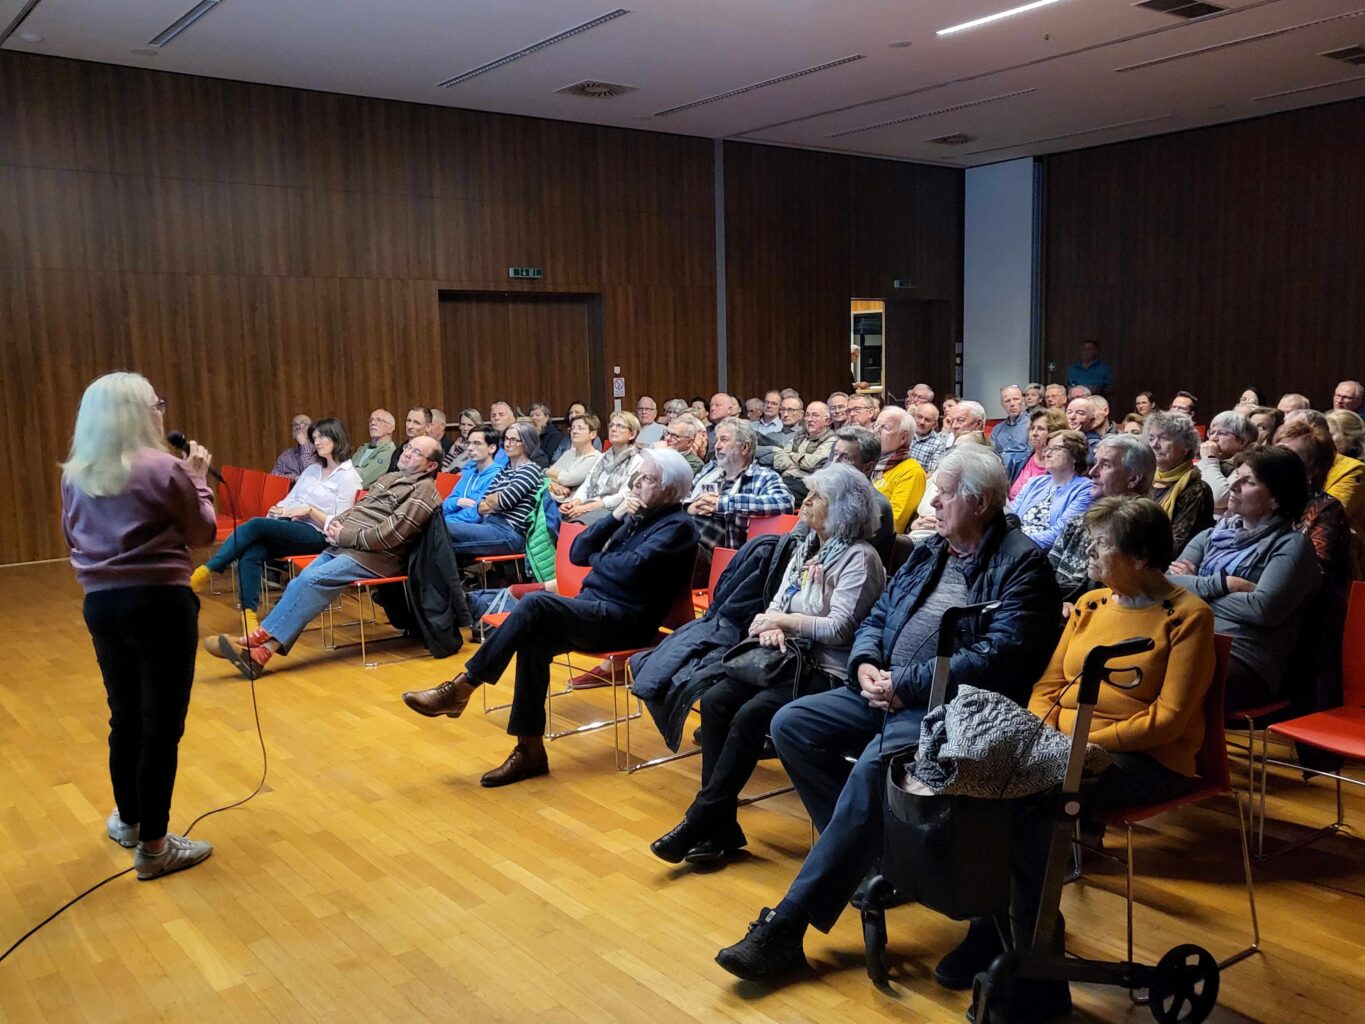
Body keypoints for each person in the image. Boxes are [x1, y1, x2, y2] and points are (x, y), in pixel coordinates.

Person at [713, 445, 1061, 982]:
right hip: (883, 688)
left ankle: (788, 925)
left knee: (874, 768)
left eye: (945, 494)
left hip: (951, 709)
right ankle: (874, 856)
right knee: (791, 725)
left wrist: (905, 685)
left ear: (981, 501)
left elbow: (1000, 657)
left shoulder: (1022, 564)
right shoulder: (930, 551)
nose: (933, 503)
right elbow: (876, 617)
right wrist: (865, 665)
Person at [981, 496, 1216, 1016]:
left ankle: (1034, 975)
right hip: (1065, 746)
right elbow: (1048, 686)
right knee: (980, 784)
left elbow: (1168, 721)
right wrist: (1047, 736)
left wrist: (1085, 743)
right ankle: (1001, 940)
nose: (1088, 551)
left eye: (1102, 543)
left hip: (1150, 761)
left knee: (1026, 806)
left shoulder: (1188, 616)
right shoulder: (1090, 605)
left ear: (1141, 556)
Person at [401, 449, 700, 785]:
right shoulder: (636, 514)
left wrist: (601, 562)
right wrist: (615, 516)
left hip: (626, 622)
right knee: (534, 641)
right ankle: (529, 750)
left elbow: (627, 569)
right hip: (596, 608)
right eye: (640, 475)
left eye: (647, 479)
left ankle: (462, 687)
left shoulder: (679, 528)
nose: (637, 483)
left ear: (669, 489)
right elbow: (579, 553)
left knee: (536, 603)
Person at [650, 465, 885, 865]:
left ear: (843, 508)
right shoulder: (807, 546)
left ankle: (703, 819)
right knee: (717, 701)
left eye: (817, 497)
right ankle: (719, 827)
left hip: (827, 672)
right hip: (786, 661)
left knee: (751, 715)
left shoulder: (860, 558)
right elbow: (774, 605)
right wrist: (772, 625)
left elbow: (840, 629)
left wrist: (785, 622)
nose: (806, 501)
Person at [61, 372, 218, 879]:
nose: (161, 412)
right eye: (157, 404)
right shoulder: (163, 467)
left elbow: (71, 535)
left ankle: (128, 821)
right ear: (140, 412)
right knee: (161, 726)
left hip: (102, 606)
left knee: (125, 716)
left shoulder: (75, 474)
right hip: (160, 604)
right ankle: (154, 848)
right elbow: (202, 533)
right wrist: (197, 477)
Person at [208, 436, 444, 679]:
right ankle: (261, 654)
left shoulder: (424, 491)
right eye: (408, 447)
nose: (407, 453)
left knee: (310, 580)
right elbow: (359, 510)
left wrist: (344, 535)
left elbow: (391, 535)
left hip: (376, 558)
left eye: (417, 453)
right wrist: (335, 525)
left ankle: (256, 638)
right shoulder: (391, 477)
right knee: (300, 583)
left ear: (431, 466)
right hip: (348, 547)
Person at [1168, 447, 1320, 709]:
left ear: (1276, 499)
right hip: (1189, 637)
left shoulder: (1291, 546)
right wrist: (1224, 584)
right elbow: (1166, 586)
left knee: (1159, 676)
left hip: (1244, 657)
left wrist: (1195, 590)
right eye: (1236, 475)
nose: (1233, 485)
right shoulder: (1211, 536)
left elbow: (1261, 609)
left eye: (1248, 481)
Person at [190, 418, 361, 633]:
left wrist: (310, 511)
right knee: (251, 551)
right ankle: (248, 615)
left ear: (337, 438)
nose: (317, 441)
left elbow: (339, 523)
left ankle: (207, 570)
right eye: (315, 437)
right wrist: (278, 509)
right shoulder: (312, 470)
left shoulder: (349, 477)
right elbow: (290, 500)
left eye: (322, 436)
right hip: (293, 526)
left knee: (255, 525)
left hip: (318, 536)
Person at [1048, 433, 1156, 604]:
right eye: (1095, 462)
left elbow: (1104, 596)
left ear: (1133, 479)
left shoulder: (1143, 531)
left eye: (1105, 465)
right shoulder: (1078, 522)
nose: (1092, 472)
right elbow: (1045, 575)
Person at [687, 417, 795, 555]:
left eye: (724, 440)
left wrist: (722, 503)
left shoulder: (762, 476)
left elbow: (785, 502)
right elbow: (685, 495)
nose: (717, 446)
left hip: (718, 554)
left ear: (744, 447)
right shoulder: (710, 469)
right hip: (686, 536)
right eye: (717, 440)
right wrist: (689, 506)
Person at [443, 423, 545, 561]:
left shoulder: (530, 470)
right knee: (437, 543)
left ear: (527, 443)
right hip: (489, 525)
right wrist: (493, 501)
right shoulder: (505, 470)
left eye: (513, 440)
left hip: (510, 533)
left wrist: (493, 501)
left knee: (441, 530)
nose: (507, 444)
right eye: (506, 439)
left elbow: (504, 501)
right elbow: (481, 507)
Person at [1276, 421, 1352, 593]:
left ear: (1313, 469)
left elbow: (1315, 572)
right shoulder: (1260, 496)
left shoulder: (1326, 508)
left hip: (1300, 599)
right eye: (1277, 450)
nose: (1277, 460)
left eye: (1290, 456)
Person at [1009, 429, 1093, 551]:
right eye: (1047, 449)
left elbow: (1060, 534)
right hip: (1014, 545)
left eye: (1056, 449)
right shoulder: (1034, 483)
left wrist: (1014, 542)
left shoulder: (1085, 489)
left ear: (1075, 456)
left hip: (1040, 552)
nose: (1047, 454)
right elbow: (1010, 517)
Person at [1145, 410, 1215, 557]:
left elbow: (1176, 545)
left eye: (1164, 438)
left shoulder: (1197, 490)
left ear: (1186, 446)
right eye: (1151, 438)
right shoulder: (1144, 478)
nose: (1155, 445)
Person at [828, 426, 896, 566]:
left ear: (868, 467)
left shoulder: (875, 506)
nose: (835, 462)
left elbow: (846, 557)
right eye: (835, 454)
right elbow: (799, 534)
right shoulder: (826, 492)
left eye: (845, 458)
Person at [561, 412, 643, 525]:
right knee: (555, 518)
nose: (613, 429)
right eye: (611, 425)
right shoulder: (603, 457)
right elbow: (587, 484)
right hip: (589, 503)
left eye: (620, 426)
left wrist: (589, 507)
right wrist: (576, 501)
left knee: (576, 525)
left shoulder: (637, 461)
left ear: (632, 434)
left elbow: (624, 496)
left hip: (611, 510)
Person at [869, 407, 926, 533]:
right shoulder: (871, 462)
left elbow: (894, 524)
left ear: (903, 438)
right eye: (875, 425)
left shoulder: (912, 472)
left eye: (885, 428)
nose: (876, 431)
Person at [440, 425, 507, 529]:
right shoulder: (468, 474)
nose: (470, 448)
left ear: (491, 448)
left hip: (475, 528)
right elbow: (445, 505)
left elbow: (477, 513)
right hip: (452, 524)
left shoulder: (499, 474)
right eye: (469, 443)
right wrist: (458, 501)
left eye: (476, 443)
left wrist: (448, 520)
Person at [773, 401, 835, 503]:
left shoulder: (832, 440)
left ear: (827, 421)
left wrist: (791, 455)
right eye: (807, 415)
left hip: (808, 485)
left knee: (776, 494)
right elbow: (778, 460)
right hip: (786, 479)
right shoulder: (799, 436)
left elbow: (812, 463)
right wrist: (800, 464)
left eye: (815, 415)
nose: (810, 419)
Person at [1198, 409, 1258, 513]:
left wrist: (1210, 459)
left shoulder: (1248, 465)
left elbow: (1219, 498)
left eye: (1222, 433)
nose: (1213, 438)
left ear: (1242, 442)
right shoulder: (1204, 461)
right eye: (1211, 432)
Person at [1010, 408, 1069, 500]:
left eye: (1041, 429)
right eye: (1032, 428)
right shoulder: (1017, 461)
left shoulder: (1061, 467)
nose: (1034, 433)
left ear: (1054, 433)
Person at [546, 413, 603, 504]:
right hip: (553, 495)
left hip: (571, 502)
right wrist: (554, 485)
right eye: (572, 428)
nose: (575, 431)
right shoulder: (569, 453)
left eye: (580, 428)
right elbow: (548, 475)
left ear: (593, 434)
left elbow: (569, 479)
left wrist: (547, 472)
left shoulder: (595, 457)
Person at [991, 384, 1031, 479]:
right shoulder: (997, 429)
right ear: (1002, 404)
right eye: (1007, 401)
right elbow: (991, 455)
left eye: (1016, 399)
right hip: (999, 476)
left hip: (1022, 475)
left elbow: (1032, 456)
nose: (1012, 404)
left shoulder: (1032, 425)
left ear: (1023, 401)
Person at [353, 408, 397, 488]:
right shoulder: (362, 448)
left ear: (390, 429)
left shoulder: (389, 451)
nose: (373, 423)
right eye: (371, 420)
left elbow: (363, 479)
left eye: (379, 420)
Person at [386, 406, 432, 473]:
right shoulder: (398, 451)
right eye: (408, 421)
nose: (410, 426)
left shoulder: (433, 453)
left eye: (416, 423)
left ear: (428, 427)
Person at [271, 414, 317, 479]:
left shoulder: (320, 452)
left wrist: (304, 445)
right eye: (295, 425)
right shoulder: (286, 455)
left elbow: (311, 475)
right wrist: (294, 477)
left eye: (303, 424)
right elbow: (273, 476)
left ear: (312, 429)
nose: (298, 427)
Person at [910, 401, 948, 472]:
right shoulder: (905, 433)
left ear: (934, 424)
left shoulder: (938, 444)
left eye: (927, 420)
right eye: (919, 417)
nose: (922, 422)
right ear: (914, 416)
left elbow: (931, 473)